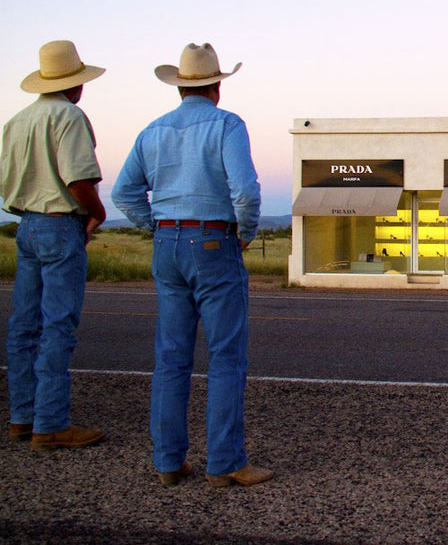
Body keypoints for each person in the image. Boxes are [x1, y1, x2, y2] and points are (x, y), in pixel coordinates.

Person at [111, 43, 271, 487]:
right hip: (213, 241)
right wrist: (245, 232)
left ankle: (168, 461)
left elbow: (123, 193)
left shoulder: (153, 130)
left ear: (180, 87)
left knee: (171, 357)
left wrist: (156, 226)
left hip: (168, 242)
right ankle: (224, 462)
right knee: (225, 356)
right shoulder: (226, 124)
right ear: (217, 86)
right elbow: (246, 190)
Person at [1, 40, 107, 450]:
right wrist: (94, 213)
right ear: (74, 83)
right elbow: (78, 179)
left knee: (23, 327)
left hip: (26, 225)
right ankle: (50, 424)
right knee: (57, 326)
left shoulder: (17, 121)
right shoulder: (70, 116)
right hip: (60, 224)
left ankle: (22, 417)